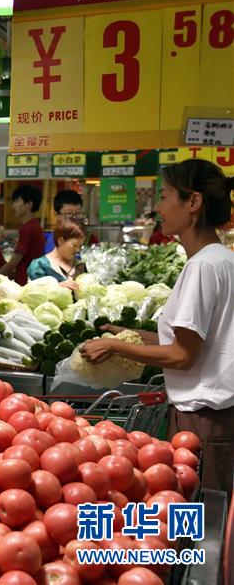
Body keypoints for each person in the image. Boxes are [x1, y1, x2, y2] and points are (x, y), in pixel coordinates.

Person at [80, 159, 234, 493]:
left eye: (163, 197)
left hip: (202, 420)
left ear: (192, 202)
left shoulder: (203, 267)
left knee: (202, 526)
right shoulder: (221, 260)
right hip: (215, 419)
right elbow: (192, 340)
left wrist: (115, 347)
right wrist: (131, 335)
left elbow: (183, 355)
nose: (157, 208)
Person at [0, 186, 45, 286]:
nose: (13, 206)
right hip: (33, 280)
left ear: (29, 204)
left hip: (24, 282)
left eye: (17, 201)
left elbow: (13, 262)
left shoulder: (28, 228)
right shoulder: (35, 226)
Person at [27, 219, 87, 287]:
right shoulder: (39, 265)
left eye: (80, 246)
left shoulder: (81, 266)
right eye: (74, 245)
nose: (78, 250)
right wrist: (58, 287)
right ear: (60, 240)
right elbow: (34, 293)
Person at [44, 189, 98, 253]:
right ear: (57, 215)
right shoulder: (51, 241)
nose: (74, 218)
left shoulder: (90, 238)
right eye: (68, 214)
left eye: (78, 214)